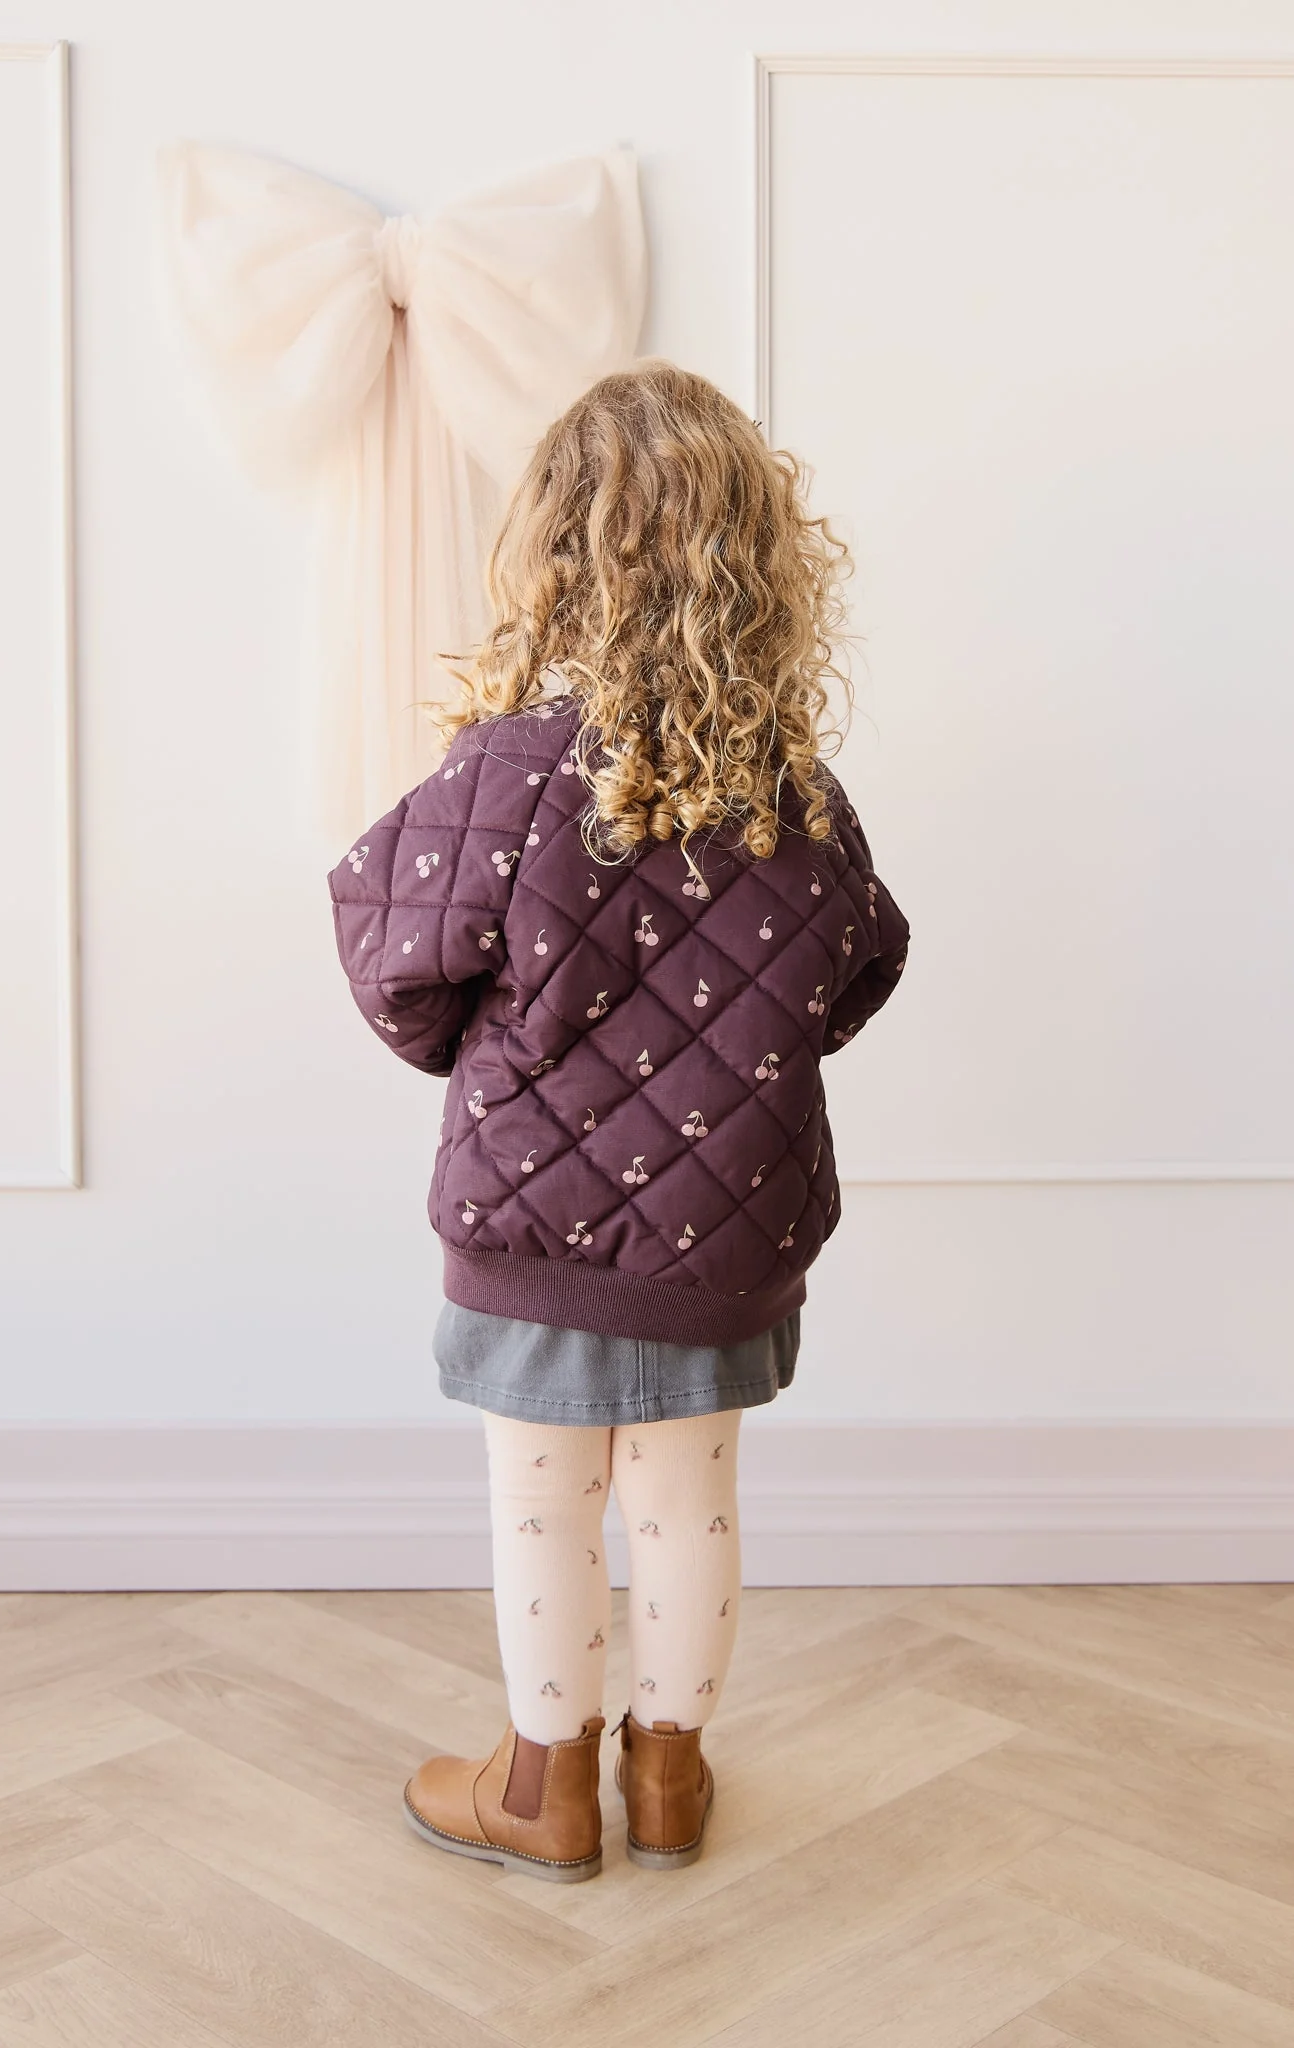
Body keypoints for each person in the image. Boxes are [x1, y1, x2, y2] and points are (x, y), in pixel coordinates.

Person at [327, 358, 910, 1882]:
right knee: (687, 1501)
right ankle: (666, 1781)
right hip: (729, 1223)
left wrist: (487, 1050)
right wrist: (743, 1071)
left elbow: (392, 959)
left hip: (535, 1215)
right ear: (759, 564)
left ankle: (541, 1792)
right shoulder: (794, 789)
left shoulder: (508, 771)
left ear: (549, 552)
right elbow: (860, 967)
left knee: (542, 1508)